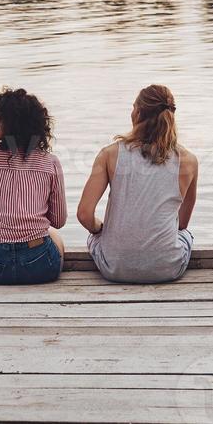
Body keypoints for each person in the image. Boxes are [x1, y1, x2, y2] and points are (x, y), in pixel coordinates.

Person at [77, 84, 198, 284]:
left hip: (114, 268)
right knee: (187, 235)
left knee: (94, 238)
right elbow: (182, 224)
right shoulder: (188, 160)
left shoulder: (109, 154)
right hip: (168, 267)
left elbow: (84, 214)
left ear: (138, 113)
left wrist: (100, 230)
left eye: (133, 107)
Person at [0, 87, 67, 285]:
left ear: (13, 122)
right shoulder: (50, 162)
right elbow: (58, 220)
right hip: (40, 264)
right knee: (54, 235)